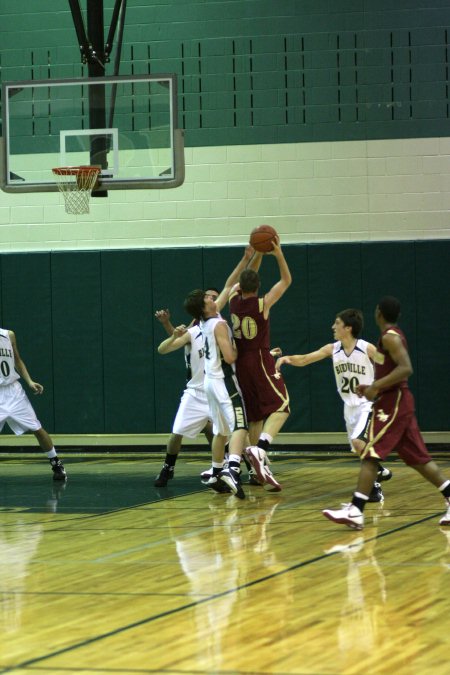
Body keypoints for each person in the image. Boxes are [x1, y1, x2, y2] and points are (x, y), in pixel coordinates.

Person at [322, 296, 450, 529]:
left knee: (370, 452)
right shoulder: (386, 340)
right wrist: (369, 386)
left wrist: (376, 387)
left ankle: (356, 509)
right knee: (419, 459)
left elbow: (405, 368)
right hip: (393, 399)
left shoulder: (390, 337)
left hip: (395, 402)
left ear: (379, 313)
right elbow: (387, 367)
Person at [276, 308, 392, 502]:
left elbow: (387, 363)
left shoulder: (366, 348)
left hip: (367, 404)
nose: (333, 327)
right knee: (357, 449)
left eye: (337, 323)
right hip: (348, 406)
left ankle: (376, 480)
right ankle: (376, 477)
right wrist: (288, 359)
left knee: (358, 442)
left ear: (348, 327)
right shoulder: (333, 349)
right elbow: (306, 359)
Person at [228, 237, 291, 491]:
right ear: (258, 286)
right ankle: (260, 449)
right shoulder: (262, 304)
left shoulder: (233, 298)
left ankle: (255, 471)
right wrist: (276, 253)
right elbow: (286, 281)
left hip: (240, 363)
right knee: (282, 405)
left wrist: (257, 254)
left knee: (254, 416)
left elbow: (246, 277)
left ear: (240, 286)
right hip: (259, 360)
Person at [184, 283, 249, 499]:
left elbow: (229, 284)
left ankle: (215, 472)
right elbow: (230, 357)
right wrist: (238, 347)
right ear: (204, 308)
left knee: (220, 431)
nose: (213, 298)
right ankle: (232, 469)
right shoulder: (219, 325)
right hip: (223, 380)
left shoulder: (205, 321)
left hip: (209, 381)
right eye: (208, 299)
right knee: (241, 425)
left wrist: (249, 258)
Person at [153, 302, 217, 487]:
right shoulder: (194, 331)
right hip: (195, 391)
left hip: (217, 390)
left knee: (225, 433)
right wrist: (170, 329)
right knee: (177, 431)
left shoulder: (222, 329)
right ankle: (168, 468)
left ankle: (237, 468)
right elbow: (166, 346)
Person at [0, 328, 66, 480]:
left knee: (36, 428)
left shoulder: (8, 334)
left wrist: (29, 381)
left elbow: (17, 360)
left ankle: (56, 463)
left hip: (13, 392)